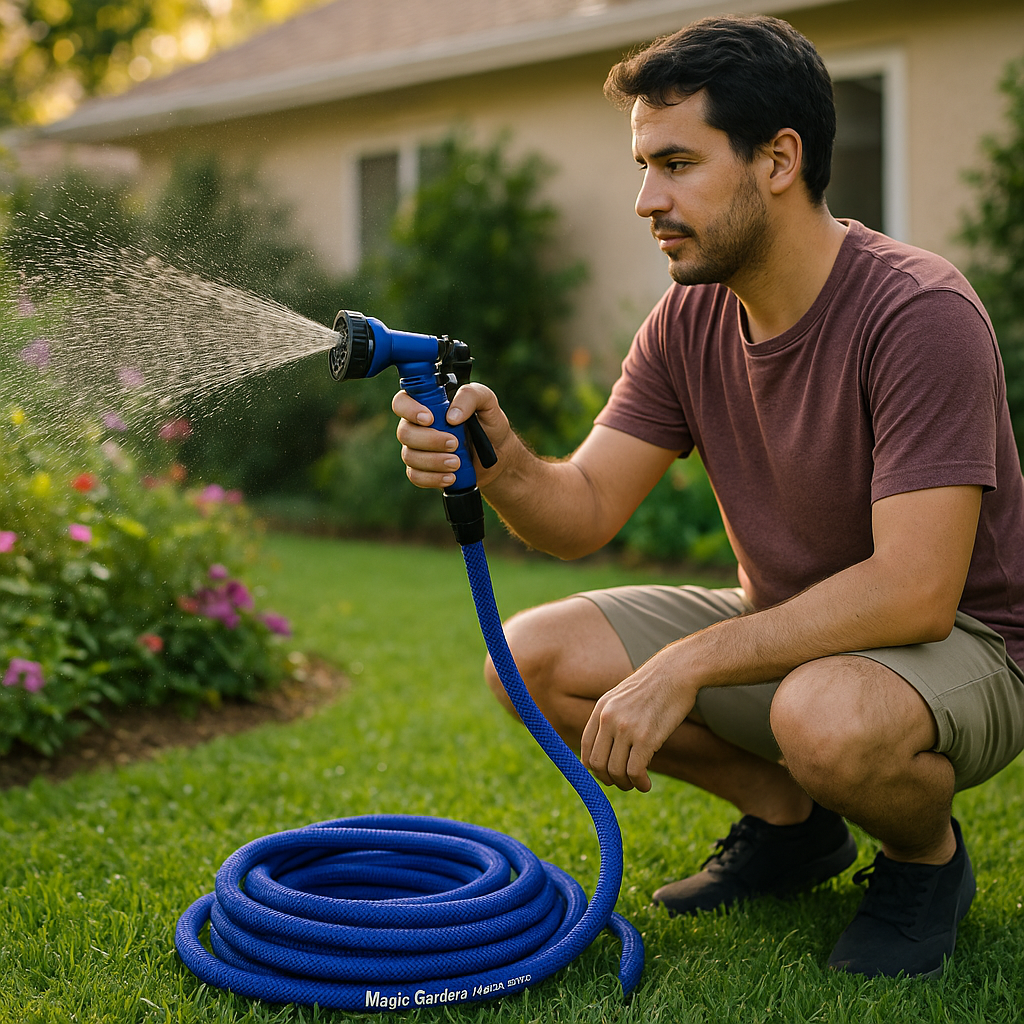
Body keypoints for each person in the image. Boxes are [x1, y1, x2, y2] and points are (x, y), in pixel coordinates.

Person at [392, 14, 1024, 979]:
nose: (647, 199)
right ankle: (791, 824)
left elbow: (915, 591)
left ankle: (921, 860)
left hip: (965, 644)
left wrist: (686, 665)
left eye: (678, 163)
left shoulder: (917, 313)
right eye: (643, 165)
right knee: (529, 658)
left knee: (828, 719)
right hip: (792, 628)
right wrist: (502, 461)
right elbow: (586, 510)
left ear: (779, 160)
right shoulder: (688, 318)